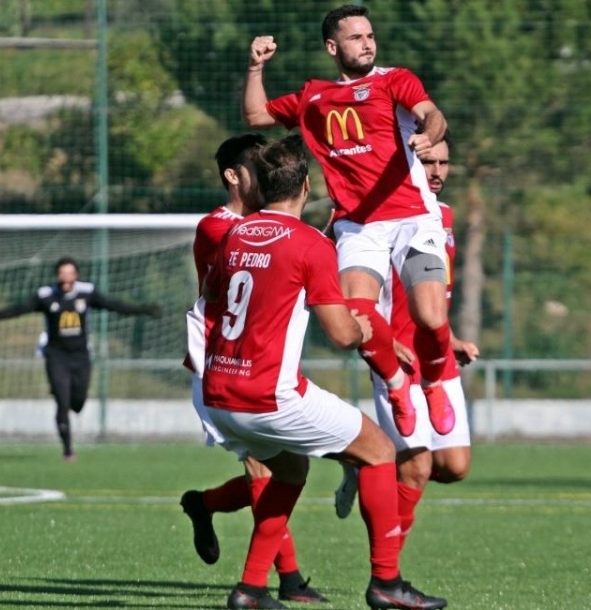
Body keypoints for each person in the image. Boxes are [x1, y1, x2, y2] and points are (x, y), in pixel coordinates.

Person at [198, 134, 446, 610]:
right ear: (306, 187)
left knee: (290, 468)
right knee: (378, 450)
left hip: (219, 395)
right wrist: (361, 323)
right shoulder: (311, 243)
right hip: (269, 396)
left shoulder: (232, 233)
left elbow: (211, 296)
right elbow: (342, 335)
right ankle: (387, 584)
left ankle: (250, 590)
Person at [242, 4, 455, 441]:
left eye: (370, 35)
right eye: (357, 37)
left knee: (430, 317)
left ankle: (432, 384)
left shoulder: (394, 79)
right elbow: (255, 117)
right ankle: (398, 385)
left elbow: (433, 114)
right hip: (359, 226)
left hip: (412, 217)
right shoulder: (314, 96)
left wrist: (428, 135)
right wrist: (255, 68)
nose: (368, 43)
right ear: (332, 46)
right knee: (357, 317)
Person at [177, 133, 326, 604]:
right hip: (220, 363)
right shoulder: (219, 227)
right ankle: (282, 580)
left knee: (277, 470)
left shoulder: (264, 225)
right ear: (232, 176)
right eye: (254, 167)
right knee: (269, 470)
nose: (263, 175)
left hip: (259, 361)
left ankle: (205, 505)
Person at [334, 139, 479, 546]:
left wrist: (451, 340)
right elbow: (345, 285)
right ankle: (387, 572)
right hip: (396, 359)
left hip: (436, 359)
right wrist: (379, 337)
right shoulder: (369, 218)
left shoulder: (444, 217)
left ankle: (365, 461)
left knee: (454, 466)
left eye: (444, 162)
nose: (436, 171)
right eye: (427, 161)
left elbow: (435, 296)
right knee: (416, 468)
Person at [0, 257, 160, 460]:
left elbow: (114, 305)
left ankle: (63, 395)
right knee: (62, 403)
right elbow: (18, 309)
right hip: (56, 356)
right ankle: (68, 450)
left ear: (76, 275)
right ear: (57, 276)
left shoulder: (86, 292)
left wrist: (144, 309)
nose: (65, 278)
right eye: (62, 273)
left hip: (81, 356)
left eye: (69, 273)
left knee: (78, 403)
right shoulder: (46, 296)